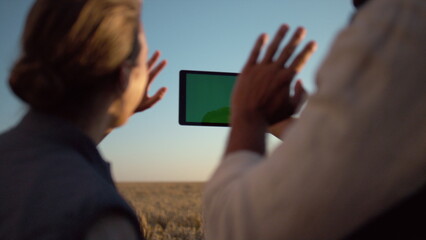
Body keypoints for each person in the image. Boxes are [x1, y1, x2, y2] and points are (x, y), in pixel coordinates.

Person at [203, 0, 426, 239]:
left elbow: (237, 228)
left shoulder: (399, 17)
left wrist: (248, 114)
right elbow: (368, 148)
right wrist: (281, 123)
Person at [0, 0, 167, 239]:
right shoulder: (99, 218)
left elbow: (60, 148)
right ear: (125, 75)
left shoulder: (14, 155)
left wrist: (114, 110)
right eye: (143, 62)